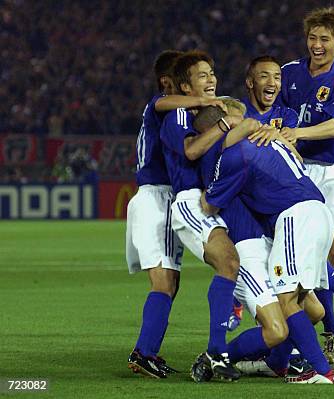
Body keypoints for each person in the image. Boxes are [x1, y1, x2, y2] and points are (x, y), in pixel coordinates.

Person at [158, 50, 262, 382]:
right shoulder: (178, 114)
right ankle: (216, 352)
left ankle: (223, 349)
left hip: (213, 202)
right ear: (185, 87)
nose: (211, 79)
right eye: (202, 76)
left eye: (212, 73)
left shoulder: (209, 111)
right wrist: (224, 123)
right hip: (191, 202)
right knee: (229, 262)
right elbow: (190, 151)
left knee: (238, 266)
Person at [201, 137, 334, 384]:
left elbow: (209, 204)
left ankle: (320, 370)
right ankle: (277, 362)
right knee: (310, 306)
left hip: (294, 218)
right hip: (320, 213)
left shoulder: (236, 155)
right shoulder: (272, 143)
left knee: (286, 304)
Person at [126, 49, 227, 379]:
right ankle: (143, 352)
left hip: (152, 198)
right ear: (172, 83)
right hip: (156, 198)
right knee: (164, 282)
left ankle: (147, 351)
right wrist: (207, 103)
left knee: (170, 281)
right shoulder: (161, 106)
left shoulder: (172, 113)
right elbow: (163, 104)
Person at [276, 6, 334, 374]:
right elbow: (276, 113)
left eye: (325, 39)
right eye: (313, 37)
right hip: (299, 170)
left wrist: (297, 133)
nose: (317, 44)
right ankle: (328, 329)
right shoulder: (288, 73)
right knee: (311, 253)